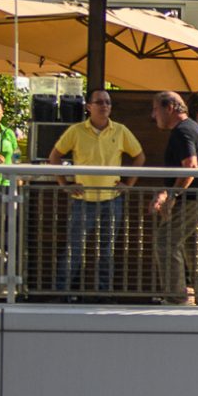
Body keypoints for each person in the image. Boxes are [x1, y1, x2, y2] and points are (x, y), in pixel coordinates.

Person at [50, 89, 142, 296]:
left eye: (108, 102)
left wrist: (129, 184)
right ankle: (60, 294)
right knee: (74, 250)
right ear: (88, 107)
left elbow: (139, 156)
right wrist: (64, 184)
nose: (105, 106)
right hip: (83, 200)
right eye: (99, 102)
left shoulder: (120, 130)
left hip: (112, 199)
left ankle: (104, 295)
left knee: (106, 251)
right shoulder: (76, 130)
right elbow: (54, 156)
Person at [147, 92, 198, 306]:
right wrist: (165, 191)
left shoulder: (183, 131)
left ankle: (176, 297)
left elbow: (190, 167)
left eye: (156, 109)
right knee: (194, 250)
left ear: (169, 108)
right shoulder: (190, 128)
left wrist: (173, 195)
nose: (153, 115)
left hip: (196, 199)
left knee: (165, 241)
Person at [0, 90, 21, 284]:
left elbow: (16, 155)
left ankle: (4, 272)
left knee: (6, 230)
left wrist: (19, 174)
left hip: (7, 187)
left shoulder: (9, 133)